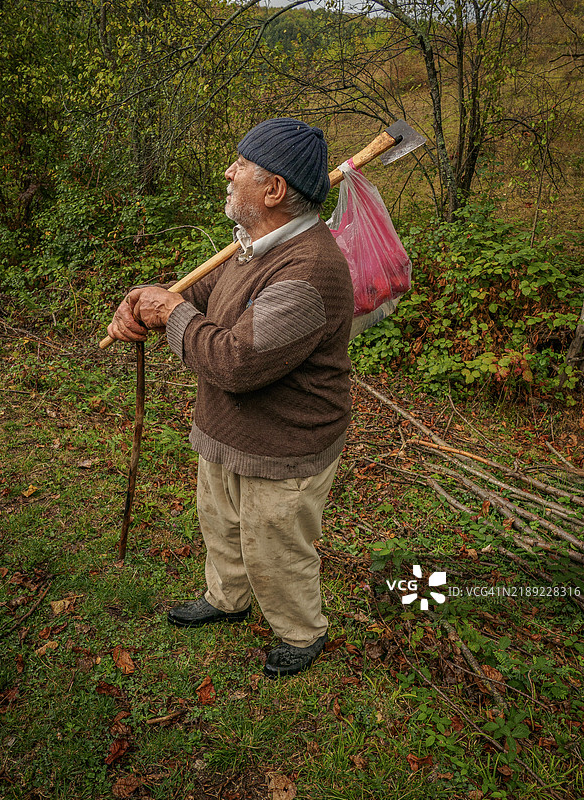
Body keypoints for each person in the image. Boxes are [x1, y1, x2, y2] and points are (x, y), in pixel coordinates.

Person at [108, 118, 354, 677]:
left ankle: (300, 631)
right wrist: (150, 301)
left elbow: (235, 362)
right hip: (227, 433)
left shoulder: (310, 270)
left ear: (274, 191)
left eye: (241, 164)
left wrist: (169, 313)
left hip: (283, 446)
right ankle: (227, 599)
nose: (228, 172)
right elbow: (206, 293)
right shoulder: (255, 244)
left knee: (276, 549)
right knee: (221, 526)